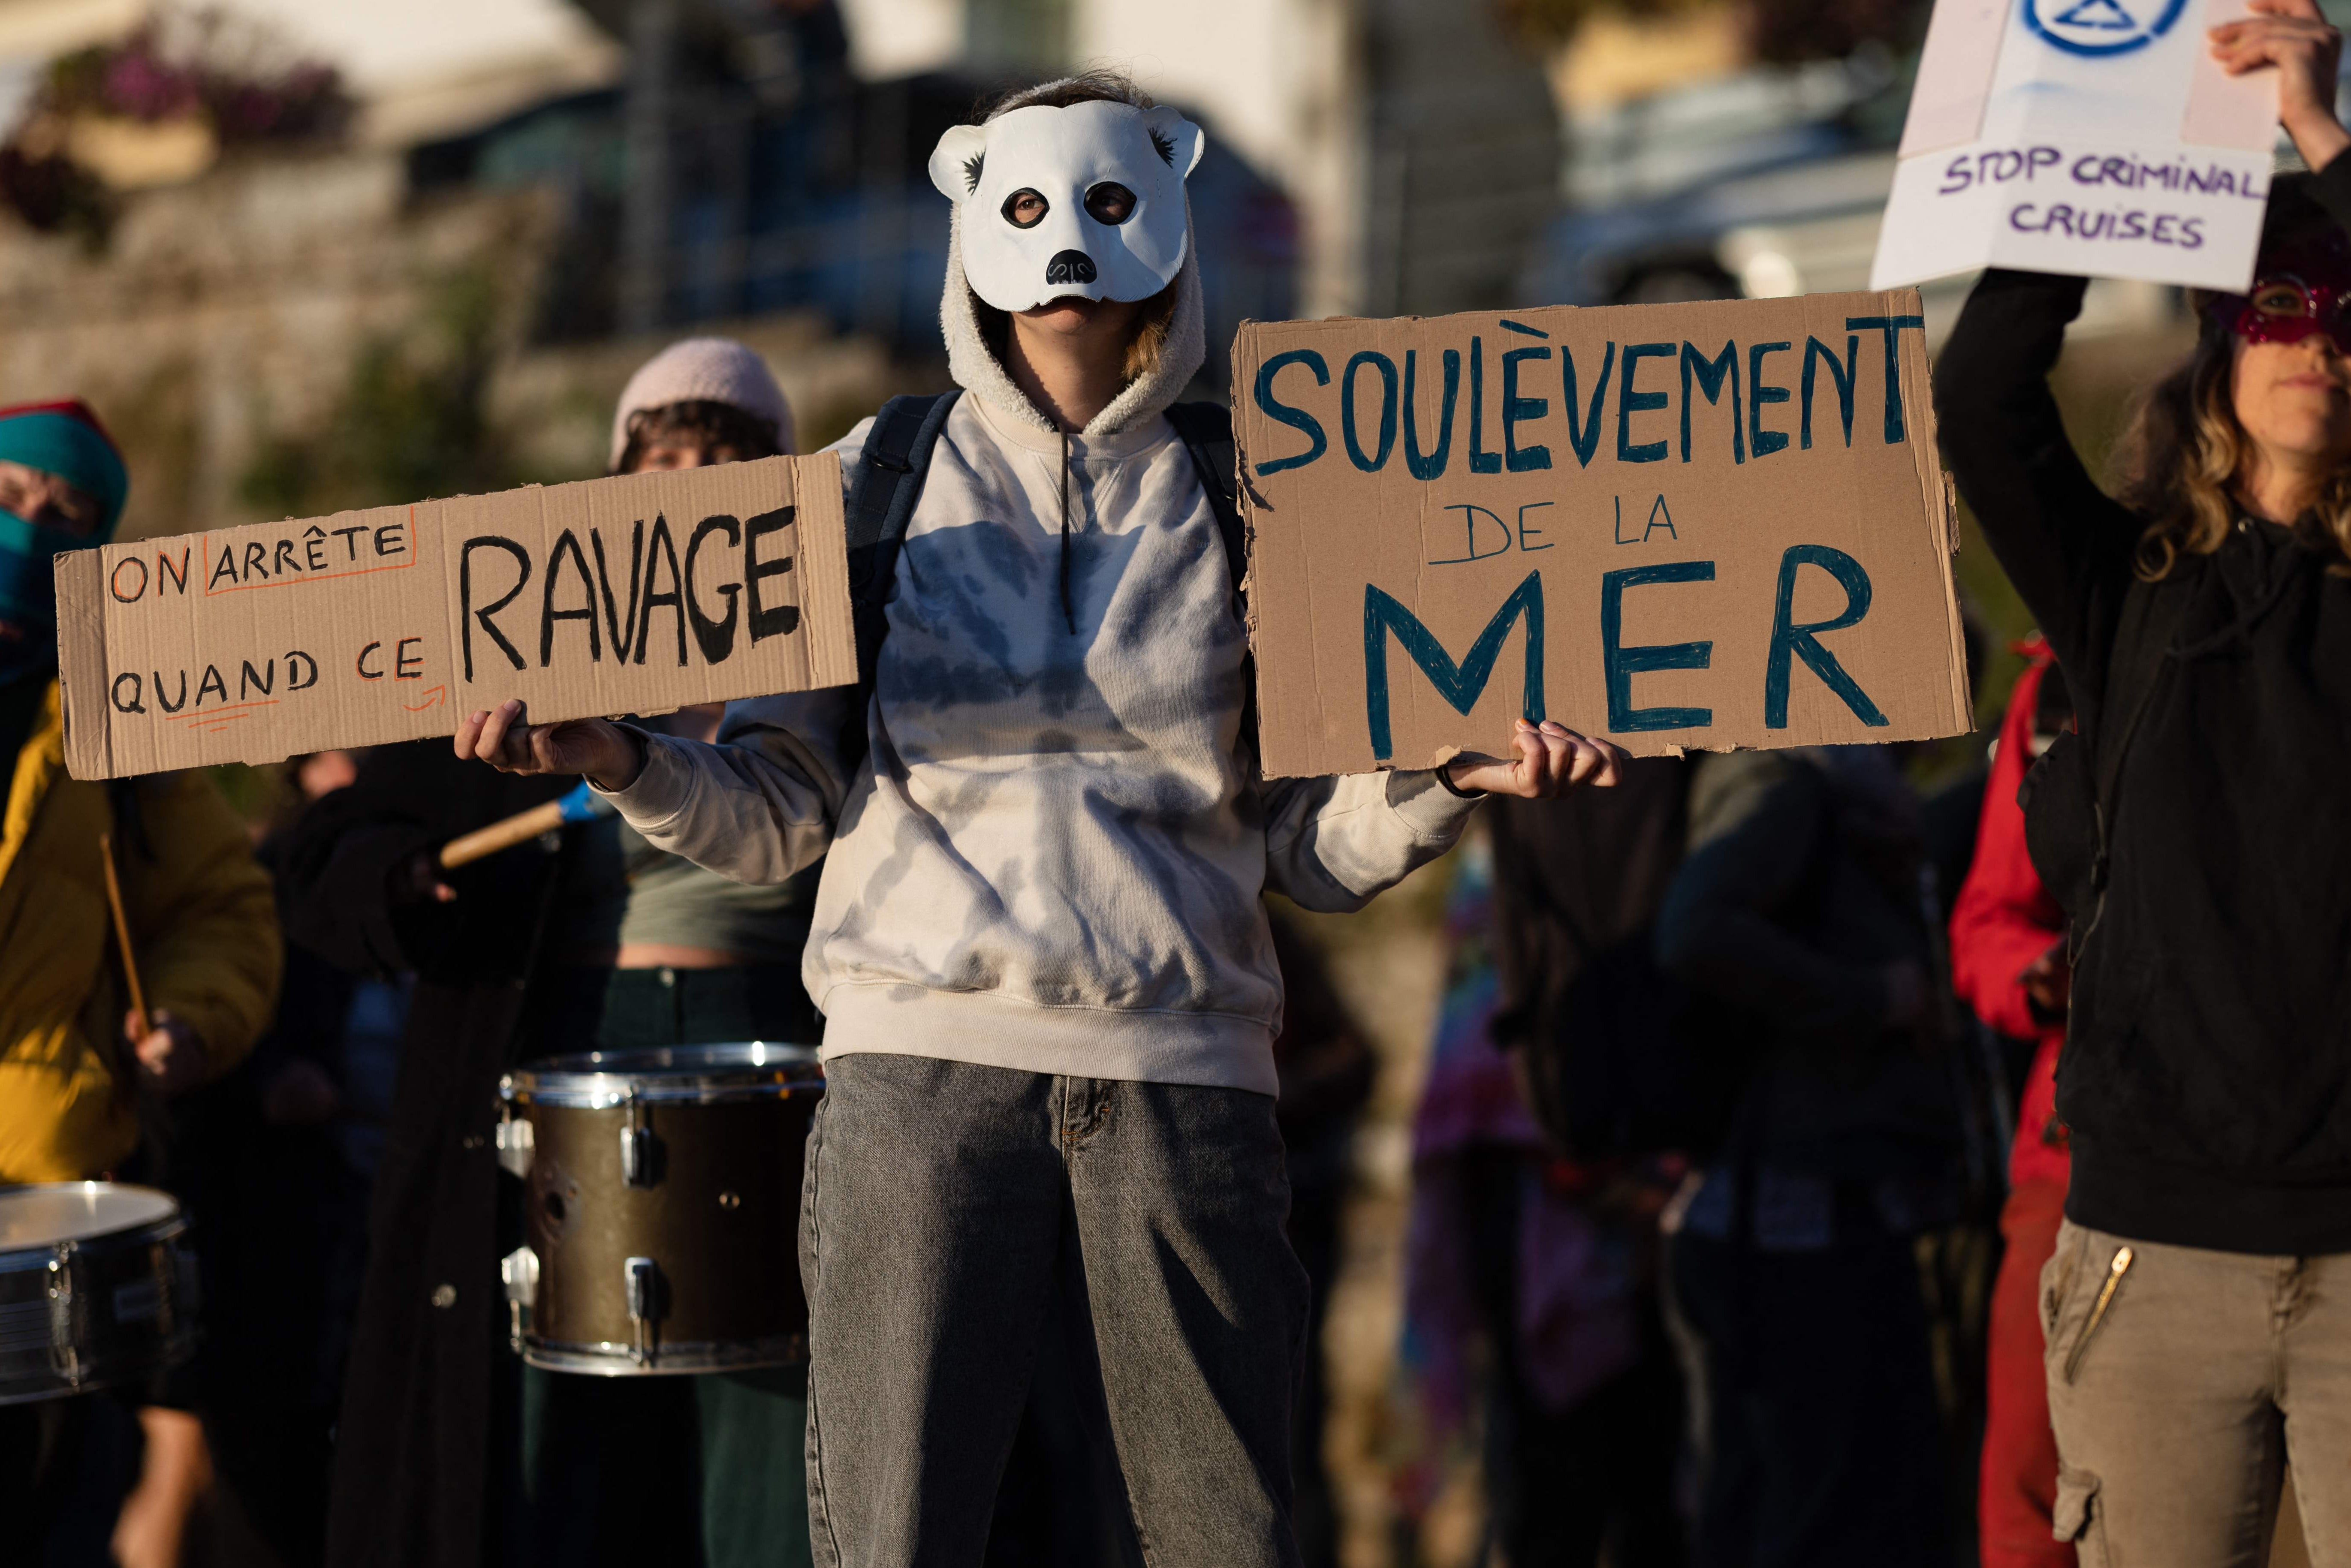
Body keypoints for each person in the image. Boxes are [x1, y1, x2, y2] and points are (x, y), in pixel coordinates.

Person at [454, 70, 1622, 1568]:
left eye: (1111, 198)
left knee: (1224, 1536)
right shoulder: (868, 487)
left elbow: (1301, 845)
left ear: (1171, 208)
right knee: (896, 1534)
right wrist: (621, 754)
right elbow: (779, 816)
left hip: (1183, 1081)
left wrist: (1445, 776)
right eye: (1026, 202)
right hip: (919, 1077)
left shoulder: (1260, 493)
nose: (1068, 242)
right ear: (971, 212)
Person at [1935, 0, 2351, 1554]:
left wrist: (2319, 131)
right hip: (2151, 1254)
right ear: (2219, 345)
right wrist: (2100, 148)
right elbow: (1983, 393)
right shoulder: (2126, 594)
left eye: (2348, 307)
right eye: (2279, 301)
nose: (2318, 332)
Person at [523, 337, 824, 1568]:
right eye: (663, 455)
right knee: (588, 1383)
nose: (690, 477)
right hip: (587, 1036)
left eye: (721, 454)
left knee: (769, 1375)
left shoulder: (813, 654)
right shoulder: (553, 649)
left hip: (767, 1029)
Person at [0, 398, 281, 1568]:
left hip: (33, 1210)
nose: (31, 527)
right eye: (9, 494)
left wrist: (189, 1018)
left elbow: (223, 906)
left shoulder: (123, 713)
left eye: (67, 514)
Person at [277, 739, 625, 1568]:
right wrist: (393, 871)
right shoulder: (496, 718)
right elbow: (326, 863)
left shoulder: (804, 709)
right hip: (501, 1113)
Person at [1655, 742, 1964, 1568]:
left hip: (1824, 1205)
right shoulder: (1785, 780)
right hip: (1790, 1220)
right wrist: (1872, 998)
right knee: (1818, 1518)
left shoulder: (1840, 792)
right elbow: (1696, 929)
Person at [1947, 644, 2075, 1568]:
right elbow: (1987, 920)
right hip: (2075, 1151)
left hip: (2305, 1156)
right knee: (2032, 1490)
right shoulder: (2059, 686)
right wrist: (2039, 976)